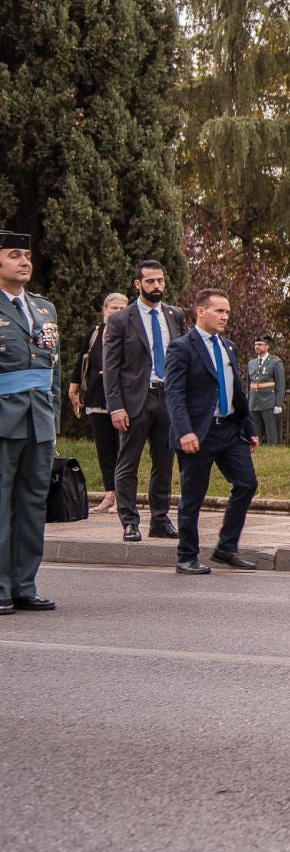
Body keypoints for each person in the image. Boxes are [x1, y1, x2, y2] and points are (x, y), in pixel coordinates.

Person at [165, 290, 259, 574]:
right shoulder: (182, 347)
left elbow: (236, 390)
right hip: (197, 433)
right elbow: (174, 393)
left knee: (247, 483)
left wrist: (249, 427)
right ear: (200, 311)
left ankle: (226, 548)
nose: (225, 317)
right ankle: (187, 556)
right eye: (219, 311)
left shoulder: (229, 346)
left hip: (229, 430)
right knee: (193, 495)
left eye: (227, 312)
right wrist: (184, 431)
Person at [101, 261, 185, 542]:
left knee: (164, 462)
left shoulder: (174, 315)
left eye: (160, 280)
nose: (157, 286)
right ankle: (130, 521)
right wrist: (116, 406)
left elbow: (181, 358)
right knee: (128, 462)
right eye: (150, 281)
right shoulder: (121, 319)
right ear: (138, 284)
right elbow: (111, 367)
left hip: (167, 398)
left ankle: (160, 519)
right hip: (135, 400)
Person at [0, 230, 60, 615]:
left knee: (32, 503)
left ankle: (24, 583)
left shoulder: (44, 309)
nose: (24, 262)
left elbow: (52, 367)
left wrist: (53, 419)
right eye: (14, 255)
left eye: (27, 256)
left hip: (39, 418)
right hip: (3, 418)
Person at [67, 293, 128, 513]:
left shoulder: (130, 334)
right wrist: (73, 388)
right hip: (95, 398)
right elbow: (82, 360)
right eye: (113, 308)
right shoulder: (94, 333)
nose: (118, 312)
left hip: (122, 402)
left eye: (122, 308)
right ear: (104, 310)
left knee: (124, 450)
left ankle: (123, 495)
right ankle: (109, 494)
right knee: (105, 450)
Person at [247, 337, 286, 446]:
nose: (257, 347)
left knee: (271, 432)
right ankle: (257, 451)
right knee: (255, 432)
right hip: (254, 402)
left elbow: (280, 385)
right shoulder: (251, 363)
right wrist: (248, 400)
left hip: (269, 402)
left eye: (260, 344)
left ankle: (273, 453)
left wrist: (278, 404)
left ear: (267, 346)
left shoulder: (275, 362)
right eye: (255, 344)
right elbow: (248, 385)